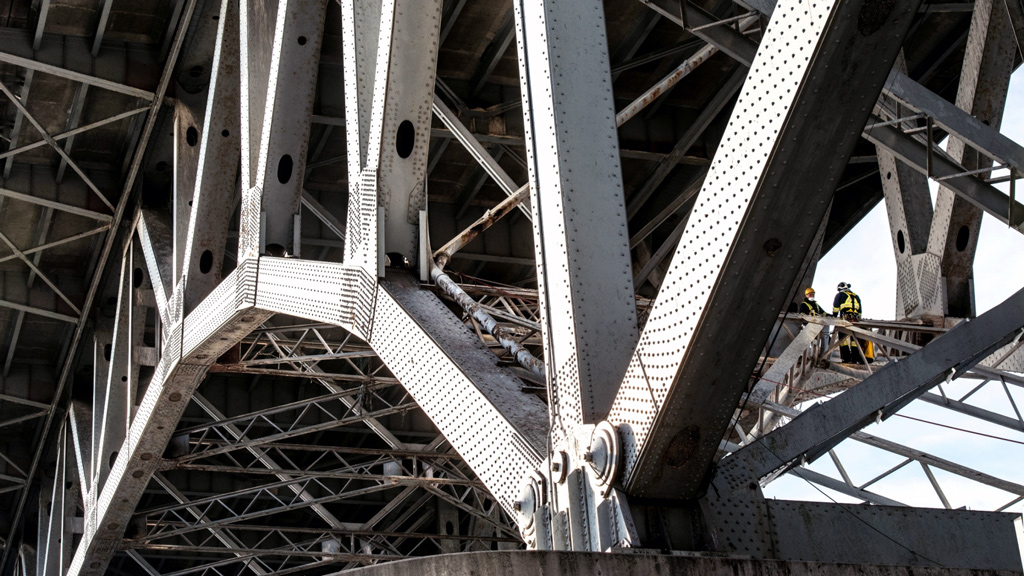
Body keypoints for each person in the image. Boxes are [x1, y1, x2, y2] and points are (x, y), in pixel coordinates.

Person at [833, 282, 871, 363]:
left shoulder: (840, 295)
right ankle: (854, 359)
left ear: (840, 289)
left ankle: (846, 358)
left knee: (842, 339)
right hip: (856, 320)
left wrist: (834, 316)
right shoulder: (856, 296)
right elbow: (860, 310)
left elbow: (836, 307)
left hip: (845, 319)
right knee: (854, 340)